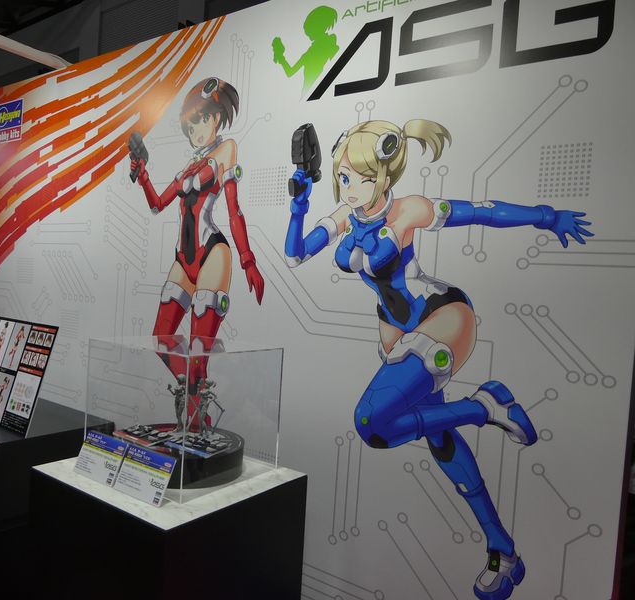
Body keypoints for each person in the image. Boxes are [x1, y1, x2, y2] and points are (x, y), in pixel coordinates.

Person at [284, 119, 593, 600]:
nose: (349, 187)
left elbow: (481, 213)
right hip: (398, 338)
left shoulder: (409, 209)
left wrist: (545, 216)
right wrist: (300, 204)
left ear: (383, 174)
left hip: (442, 317)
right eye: (343, 177)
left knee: (371, 422)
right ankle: (503, 549)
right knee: (438, 438)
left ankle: (484, 408)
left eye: (360, 177)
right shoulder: (347, 215)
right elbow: (294, 255)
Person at [128, 77, 264, 429]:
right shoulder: (188, 167)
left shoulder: (226, 150)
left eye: (201, 121)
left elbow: (234, 211)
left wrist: (248, 261)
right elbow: (157, 204)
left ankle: (196, 425)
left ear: (216, 117)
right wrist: (143, 174)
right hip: (182, 259)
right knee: (162, 339)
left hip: (212, 253)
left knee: (199, 352)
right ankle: (197, 404)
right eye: (190, 126)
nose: (196, 131)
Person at [272, 5, 339, 94]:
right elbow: (290, 72)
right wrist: (280, 56)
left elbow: (290, 72)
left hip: (313, 91)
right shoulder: (310, 52)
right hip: (308, 92)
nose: (308, 35)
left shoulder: (328, 44)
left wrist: (281, 57)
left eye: (309, 31)